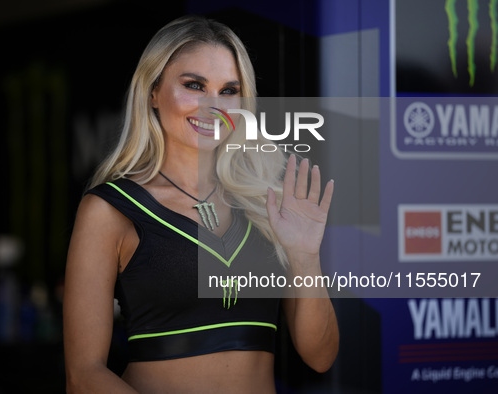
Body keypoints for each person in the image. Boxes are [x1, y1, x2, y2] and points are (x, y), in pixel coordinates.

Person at [63, 15, 338, 393]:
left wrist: (306, 256)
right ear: (153, 92)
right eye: (194, 85)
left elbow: (320, 356)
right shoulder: (110, 210)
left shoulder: (268, 203)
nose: (213, 105)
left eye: (229, 90)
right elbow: (83, 374)